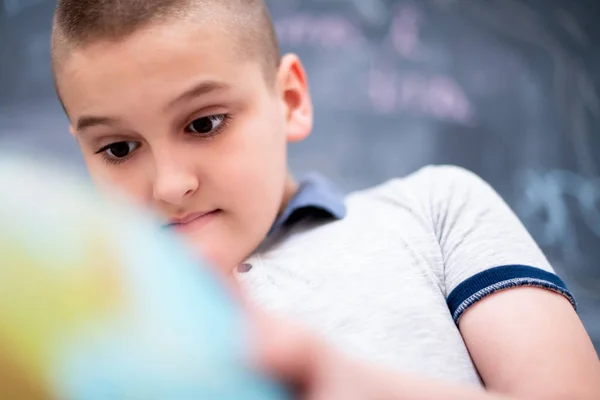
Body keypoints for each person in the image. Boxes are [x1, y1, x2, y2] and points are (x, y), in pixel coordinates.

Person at [50, 1, 600, 398]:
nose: (170, 185)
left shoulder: (435, 209)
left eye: (205, 123)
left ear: (289, 100)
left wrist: (331, 377)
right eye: (119, 148)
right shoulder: (80, 328)